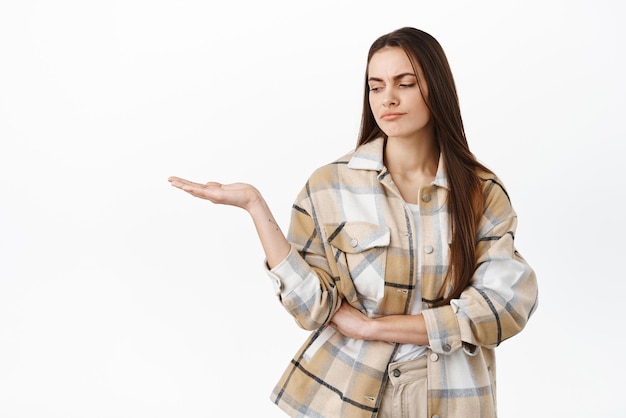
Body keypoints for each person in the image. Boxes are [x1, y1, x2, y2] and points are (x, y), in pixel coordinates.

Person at [168, 27, 538, 418]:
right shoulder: (331, 186)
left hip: (453, 394)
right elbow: (312, 309)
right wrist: (254, 205)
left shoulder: (480, 190)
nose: (388, 98)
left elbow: (503, 307)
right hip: (354, 392)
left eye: (405, 83)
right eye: (375, 87)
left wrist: (372, 328)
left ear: (437, 88)